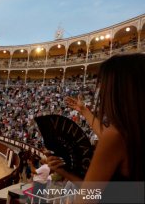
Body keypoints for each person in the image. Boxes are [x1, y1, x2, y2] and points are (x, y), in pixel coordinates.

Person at [47, 53, 145, 202]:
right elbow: (104, 192)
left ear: (117, 92)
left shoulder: (116, 137)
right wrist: (65, 173)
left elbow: (86, 199)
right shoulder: (134, 132)